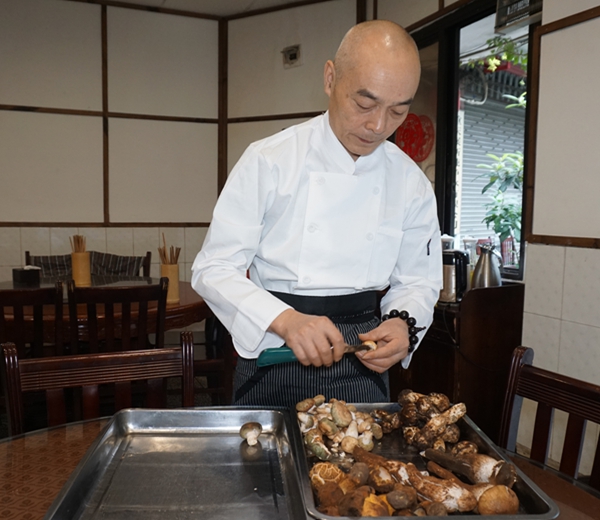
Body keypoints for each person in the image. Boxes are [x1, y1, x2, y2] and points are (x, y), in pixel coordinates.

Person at [192, 20, 442, 408]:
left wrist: (402, 323)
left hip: (363, 353)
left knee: (364, 464)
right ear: (330, 79)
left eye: (397, 111)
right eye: (364, 104)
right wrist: (287, 320)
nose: (378, 126)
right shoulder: (269, 160)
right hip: (273, 349)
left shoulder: (411, 182)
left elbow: (418, 280)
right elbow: (213, 268)